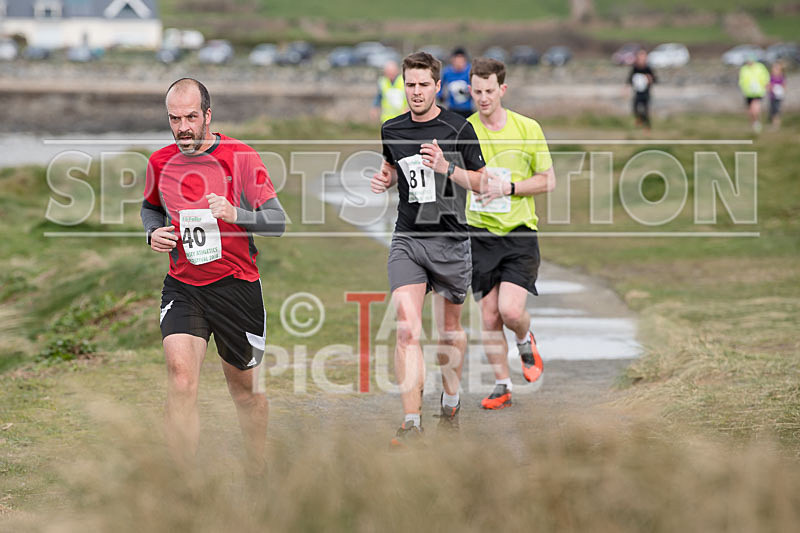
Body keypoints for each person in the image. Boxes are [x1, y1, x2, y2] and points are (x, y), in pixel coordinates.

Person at [141, 78, 286, 471]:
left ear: (208, 115)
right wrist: (153, 232)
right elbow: (151, 208)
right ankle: (182, 484)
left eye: (190, 116)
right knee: (181, 380)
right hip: (184, 286)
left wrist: (234, 213)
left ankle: (258, 472)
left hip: (236, 288)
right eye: (175, 119)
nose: (183, 126)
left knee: (246, 395)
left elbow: (277, 221)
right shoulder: (160, 162)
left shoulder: (241, 157)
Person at [371, 52, 486, 446]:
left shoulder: (460, 128)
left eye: (423, 85)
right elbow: (394, 169)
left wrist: (447, 168)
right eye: (410, 84)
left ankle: (450, 402)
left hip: (452, 241)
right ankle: (411, 423)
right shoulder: (392, 128)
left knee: (449, 333)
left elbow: (484, 183)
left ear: (437, 86)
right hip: (408, 238)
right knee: (406, 330)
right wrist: (384, 179)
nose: (416, 92)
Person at [466, 57, 554, 410]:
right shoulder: (464, 130)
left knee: (510, 311)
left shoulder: (527, 127)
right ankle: (502, 385)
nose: (483, 98)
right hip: (479, 233)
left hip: (519, 232)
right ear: (470, 91)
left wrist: (510, 188)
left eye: (489, 91)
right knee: (488, 317)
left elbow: (548, 180)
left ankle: (524, 339)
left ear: (502, 89)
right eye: (477, 92)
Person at [438, 47, 474, 119]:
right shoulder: (447, 72)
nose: (459, 64)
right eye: (457, 61)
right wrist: (440, 95)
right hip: (452, 108)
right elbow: (439, 85)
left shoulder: (470, 71)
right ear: (452, 60)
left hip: (467, 109)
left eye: (461, 61)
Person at [738, 55, 770, 133]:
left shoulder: (760, 67)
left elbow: (765, 77)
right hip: (748, 93)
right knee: (750, 110)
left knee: (755, 108)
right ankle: (754, 123)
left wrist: (765, 85)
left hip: (758, 92)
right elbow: (742, 80)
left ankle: (757, 122)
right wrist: (743, 88)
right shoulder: (744, 69)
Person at [628, 49, 657, 130]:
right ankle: (639, 119)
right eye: (640, 56)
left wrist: (650, 80)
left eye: (643, 56)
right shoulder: (635, 68)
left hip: (646, 93)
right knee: (635, 108)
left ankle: (647, 127)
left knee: (646, 110)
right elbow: (630, 79)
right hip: (637, 92)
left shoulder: (648, 68)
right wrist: (626, 88)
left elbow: (655, 80)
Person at [767, 61, 786, 130]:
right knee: (772, 111)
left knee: (776, 111)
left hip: (778, 97)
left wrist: (780, 91)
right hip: (772, 96)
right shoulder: (771, 76)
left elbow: (784, 86)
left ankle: (776, 125)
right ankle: (773, 124)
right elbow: (768, 85)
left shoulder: (781, 77)